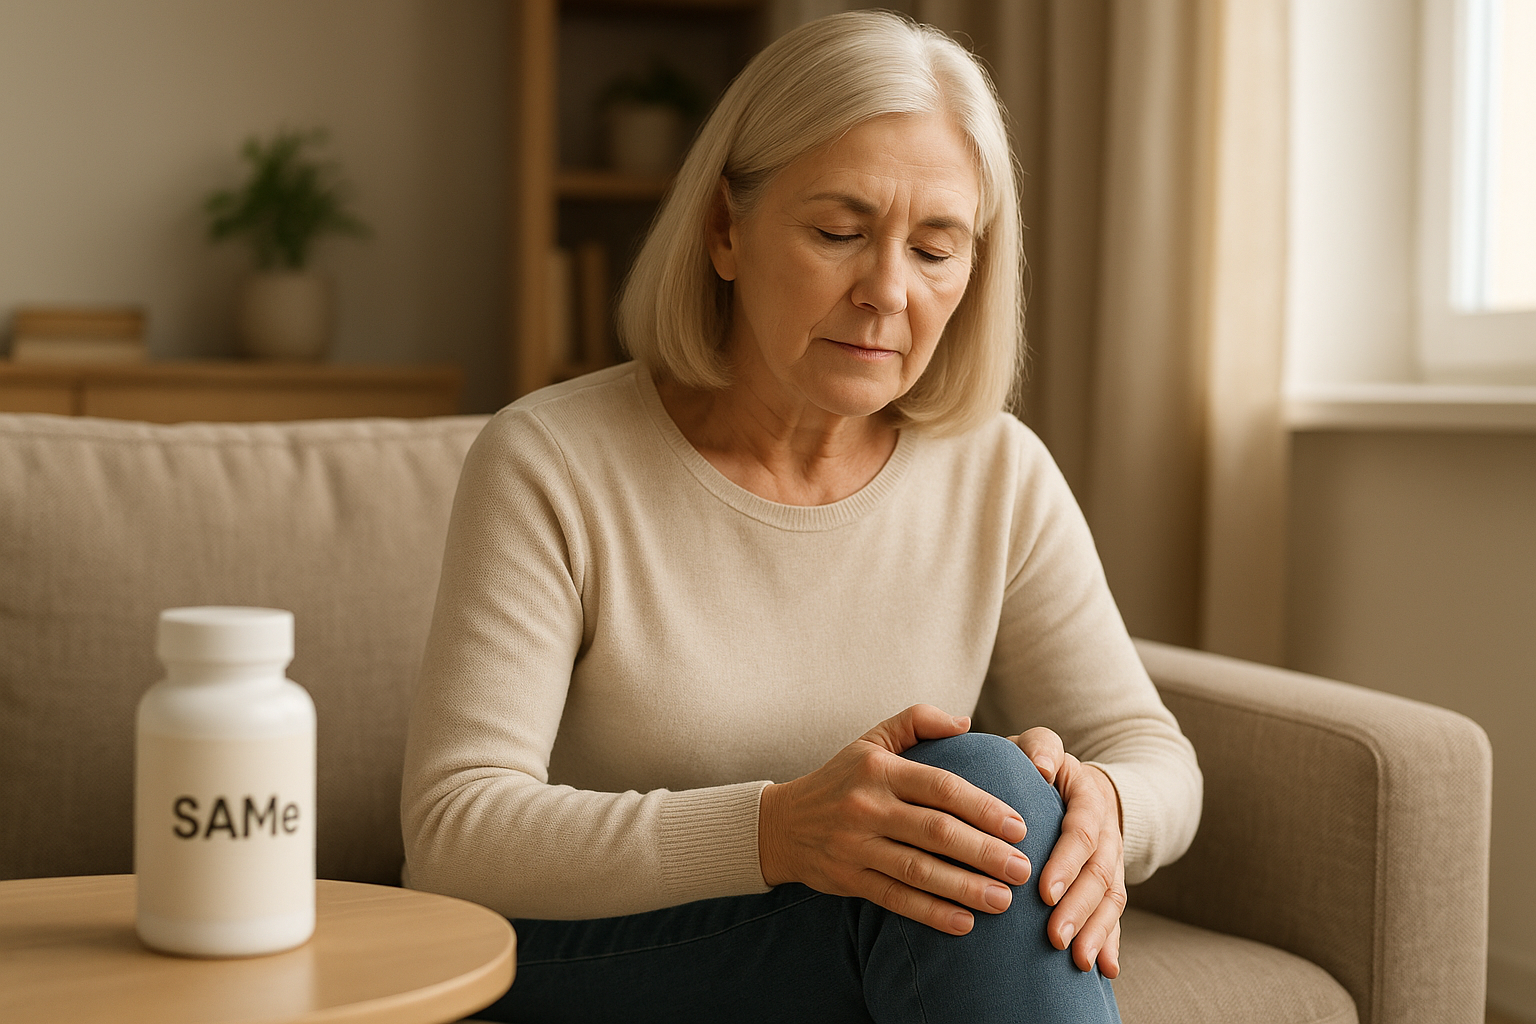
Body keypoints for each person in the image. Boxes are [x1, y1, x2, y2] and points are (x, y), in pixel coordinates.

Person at [401, 10, 1201, 1022]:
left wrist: (1102, 809)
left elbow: (1153, 752)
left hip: (866, 941)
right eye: (838, 233)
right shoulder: (550, 460)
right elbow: (456, 831)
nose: (887, 292)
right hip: (592, 954)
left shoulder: (997, 472)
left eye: (936, 249)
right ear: (724, 230)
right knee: (981, 805)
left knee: (993, 803)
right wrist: (776, 831)